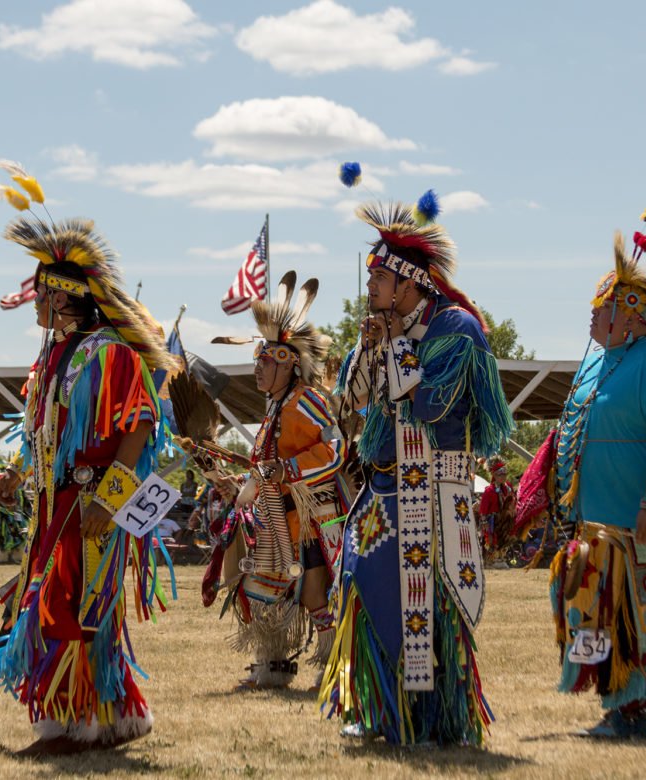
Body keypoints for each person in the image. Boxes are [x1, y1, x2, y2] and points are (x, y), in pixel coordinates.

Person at [0, 164, 180, 756]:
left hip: (89, 504)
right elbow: (46, 437)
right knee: (66, 605)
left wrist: (110, 501)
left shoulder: (106, 355)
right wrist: (20, 477)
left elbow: (139, 426)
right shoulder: (54, 362)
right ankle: (111, 718)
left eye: (40, 288)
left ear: (65, 293)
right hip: (55, 505)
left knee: (70, 607)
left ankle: (72, 726)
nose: (33, 298)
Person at [320, 198, 514, 747]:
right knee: (365, 588)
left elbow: (429, 403)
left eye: (379, 277)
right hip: (384, 489)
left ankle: (431, 719)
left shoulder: (456, 329)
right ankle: (384, 710)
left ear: (408, 282)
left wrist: (395, 346)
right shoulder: (382, 334)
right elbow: (349, 405)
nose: (371, 288)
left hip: (431, 493)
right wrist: (368, 348)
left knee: (425, 605)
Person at [544, 232, 646, 739]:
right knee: (598, 611)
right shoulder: (597, 362)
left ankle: (635, 707)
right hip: (596, 517)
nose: (592, 315)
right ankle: (619, 700)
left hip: (637, 517)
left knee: (638, 611)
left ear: (631, 314)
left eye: (602, 307)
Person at [201, 271, 348, 689]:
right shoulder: (274, 410)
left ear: (287, 364)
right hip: (273, 518)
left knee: (316, 594)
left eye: (264, 362)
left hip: (313, 516)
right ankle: (271, 667)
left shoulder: (307, 401)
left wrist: (290, 471)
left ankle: (335, 668)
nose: (257, 369)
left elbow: (335, 449)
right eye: (257, 361)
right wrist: (237, 484)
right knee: (262, 589)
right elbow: (262, 465)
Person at [477, 459, 515, 553]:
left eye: (504, 474)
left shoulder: (508, 487)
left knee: (507, 537)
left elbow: (513, 500)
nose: (503, 477)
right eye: (500, 474)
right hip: (492, 520)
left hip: (506, 518)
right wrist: (484, 520)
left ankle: (502, 556)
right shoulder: (489, 490)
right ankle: (492, 557)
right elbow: (483, 508)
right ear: (494, 475)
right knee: (492, 538)